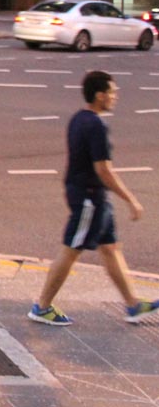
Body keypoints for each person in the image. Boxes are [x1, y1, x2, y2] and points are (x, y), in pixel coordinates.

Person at [28, 71, 158, 326]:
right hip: (89, 199)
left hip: (92, 196)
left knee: (110, 248)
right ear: (100, 96)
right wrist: (131, 199)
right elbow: (103, 169)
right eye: (112, 92)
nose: (115, 97)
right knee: (71, 250)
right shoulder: (96, 125)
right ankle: (42, 306)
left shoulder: (79, 119)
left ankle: (133, 304)